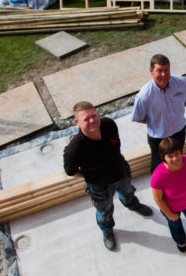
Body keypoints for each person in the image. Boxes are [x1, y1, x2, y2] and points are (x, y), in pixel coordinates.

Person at [63, 101, 153, 251]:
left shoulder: (109, 125)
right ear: (77, 122)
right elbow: (70, 171)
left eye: (94, 115)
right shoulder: (75, 148)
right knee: (104, 211)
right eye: (86, 119)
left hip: (121, 172)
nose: (92, 121)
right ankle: (107, 232)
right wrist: (91, 176)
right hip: (100, 186)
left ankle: (133, 205)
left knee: (128, 192)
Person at [132, 54, 186, 173]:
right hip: (158, 137)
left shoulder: (181, 82)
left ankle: (176, 182)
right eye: (159, 71)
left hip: (179, 132)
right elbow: (139, 117)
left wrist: (173, 112)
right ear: (151, 71)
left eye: (166, 70)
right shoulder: (144, 96)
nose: (163, 74)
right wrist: (156, 120)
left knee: (177, 160)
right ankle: (159, 189)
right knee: (158, 167)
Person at [151, 138, 186, 253]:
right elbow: (158, 199)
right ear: (163, 158)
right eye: (169, 156)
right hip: (171, 208)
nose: (175, 158)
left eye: (177, 153)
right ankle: (180, 241)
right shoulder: (157, 176)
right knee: (175, 226)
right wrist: (169, 214)